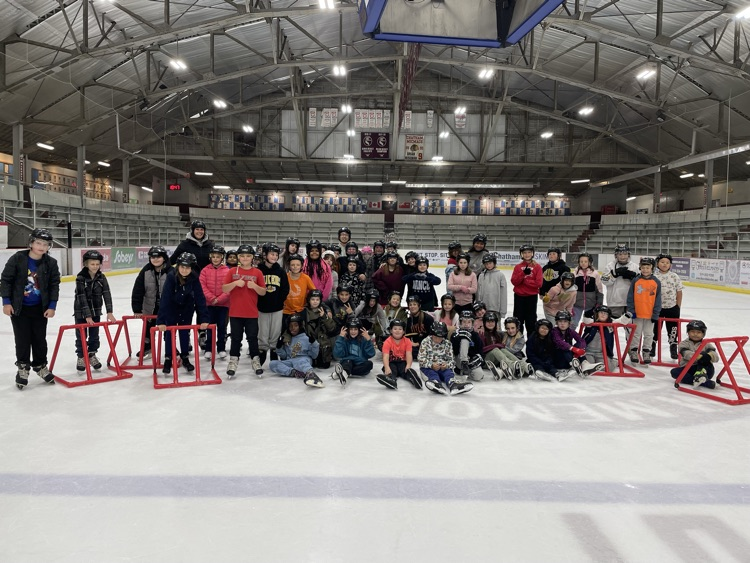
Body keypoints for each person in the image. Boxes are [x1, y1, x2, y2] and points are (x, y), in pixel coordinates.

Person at [2, 228, 60, 389]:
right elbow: (5, 280)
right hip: (19, 308)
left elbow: (54, 285)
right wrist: (6, 302)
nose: (41, 246)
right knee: (22, 339)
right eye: (38, 243)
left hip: (40, 308)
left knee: (40, 339)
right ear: (31, 243)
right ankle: (23, 367)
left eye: (45, 244)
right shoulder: (18, 258)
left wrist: (52, 305)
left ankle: (40, 365)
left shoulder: (51, 263)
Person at [156, 253, 210, 375]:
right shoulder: (171, 277)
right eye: (182, 267)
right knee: (169, 333)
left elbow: (200, 299)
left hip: (186, 310)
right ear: (178, 267)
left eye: (187, 268)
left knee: (184, 333)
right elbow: (165, 299)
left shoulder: (194, 279)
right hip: (171, 309)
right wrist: (161, 321)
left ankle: (185, 357)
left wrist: (204, 318)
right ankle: (168, 358)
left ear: (191, 268)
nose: (184, 270)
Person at [222, 244, 267, 378]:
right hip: (235, 313)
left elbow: (263, 292)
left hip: (251, 313)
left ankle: (255, 360)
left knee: (252, 339)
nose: (245, 258)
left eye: (248, 256)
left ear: (252, 257)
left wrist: (255, 287)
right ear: (238, 257)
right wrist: (235, 284)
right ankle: (233, 360)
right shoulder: (232, 272)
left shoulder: (257, 272)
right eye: (242, 256)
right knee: (236, 339)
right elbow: (224, 289)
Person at [73, 250, 116, 372]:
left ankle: (91, 354)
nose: (95, 267)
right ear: (86, 264)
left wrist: (109, 311)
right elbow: (81, 297)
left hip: (96, 312)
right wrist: (87, 315)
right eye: (92, 264)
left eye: (97, 264)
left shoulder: (102, 278)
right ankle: (81, 356)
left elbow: (107, 294)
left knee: (94, 335)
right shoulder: (80, 278)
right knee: (81, 335)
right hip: (81, 312)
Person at [131, 245, 172, 358]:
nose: (155, 259)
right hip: (150, 307)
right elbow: (138, 290)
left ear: (164, 258)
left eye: (158, 257)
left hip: (167, 308)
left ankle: (171, 348)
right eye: (153, 257)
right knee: (148, 330)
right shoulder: (146, 271)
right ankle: (147, 347)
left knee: (168, 329)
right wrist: (137, 309)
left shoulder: (171, 271)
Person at [257, 243, 290, 369]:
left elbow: (285, 288)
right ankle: (262, 349)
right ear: (265, 255)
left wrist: (279, 300)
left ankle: (274, 349)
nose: (275, 257)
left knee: (276, 330)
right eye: (272, 254)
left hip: (277, 307)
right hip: (262, 307)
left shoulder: (280, 271)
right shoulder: (258, 270)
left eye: (276, 254)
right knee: (263, 330)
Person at [418, 322, 473, 395]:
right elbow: (421, 358)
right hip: (428, 368)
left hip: (443, 368)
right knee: (432, 373)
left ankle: (453, 385)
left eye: (440, 337)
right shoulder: (425, 342)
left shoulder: (447, 344)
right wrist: (431, 365)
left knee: (448, 373)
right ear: (431, 334)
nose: (437, 339)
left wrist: (447, 365)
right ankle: (435, 383)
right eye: (435, 337)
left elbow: (452, 360)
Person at [269, 314, 324, 388]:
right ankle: (294, 373)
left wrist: (314, 343)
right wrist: (279, 347)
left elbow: (314, 355)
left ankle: (311, 375)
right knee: (272, 364)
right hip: (291, 361)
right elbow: (284, 356)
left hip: (303, 359)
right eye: (290, 326)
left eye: (295, 325)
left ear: (300, 326)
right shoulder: (287, 339)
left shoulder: (306, 338)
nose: (293, 328)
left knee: (300, 362)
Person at [626, 257, 662, 366]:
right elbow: (630, 297)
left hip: (649, 314)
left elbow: (658, 299)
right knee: (636, 333)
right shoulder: (636, 280)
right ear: (640, 268)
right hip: (637, 313)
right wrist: (632, 311)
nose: (645, 270)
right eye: (643, 267)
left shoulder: (656, 282)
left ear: (652, 268)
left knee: (649, 334)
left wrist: (655, 314)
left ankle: (646, 351)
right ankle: (633, 351)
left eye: (648, 267)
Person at [199, 245, 229, 360]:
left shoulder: (227, 271)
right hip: (209, 304)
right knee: (210, 327)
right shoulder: (205, 270)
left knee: (222, 327)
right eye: (213, 257)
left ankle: (221, 348)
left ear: (222, 258)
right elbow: (202, 286)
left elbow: (229, 288)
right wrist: (211, 298)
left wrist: (220, 299)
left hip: (223, 304)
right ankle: (209, 349)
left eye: (218, 257)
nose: (216, 259)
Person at [653, 253, 684, 360]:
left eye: (667, 263)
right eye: (662, 262)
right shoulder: (653, 276)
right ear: (657, 263)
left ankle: (673, 348)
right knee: (655, 329)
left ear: (670, 265)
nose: (665, 264)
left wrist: (677, 306)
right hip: (657, 308)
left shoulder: (674, 276)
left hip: (672, 308)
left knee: (673, 329)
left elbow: (679, 292)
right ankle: (652, 347)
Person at [670, 320, 718, 389]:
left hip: (705, 370)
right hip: (690, 369)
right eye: (692, 332)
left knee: (704, 356)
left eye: (698, 332)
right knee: (674, 372)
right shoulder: (683, 344)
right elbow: (686, 354)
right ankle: (704, 383)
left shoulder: (706, 344)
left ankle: (701, 377)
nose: (695, 334)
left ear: (703, 334)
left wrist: (708, 356)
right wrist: (698, 356)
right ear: (688, 332)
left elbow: (716, 356)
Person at [378, 319, 422, 390]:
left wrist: (408, 366)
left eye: (400, 329)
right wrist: (386, 367)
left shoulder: (407, 341)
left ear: (403, 331)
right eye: (395, 329)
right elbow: (385, 356)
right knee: (391, 371)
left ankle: (413, 378)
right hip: (391, 362)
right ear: (391, 331)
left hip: (402, 362)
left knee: (405, 371)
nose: (397, 331)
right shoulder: (387, 342)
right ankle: (391, 381)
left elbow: (409, 355)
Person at [511, 244, 543, 335]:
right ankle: (517, 342)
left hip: (531, 298)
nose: (527, 254)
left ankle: (531, 344)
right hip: (519, 297)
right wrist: (522, 274)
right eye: (524, 252)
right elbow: (514, 282)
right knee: (518, 321)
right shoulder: (518, 267)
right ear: (521, 254)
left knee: (531, 322)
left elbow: (539, 283)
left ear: (532, 253)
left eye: (529, 252)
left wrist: (525, 281)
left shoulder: (537, 267)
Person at [301, 289, 337, 369]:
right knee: (311, 364)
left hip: (322, 345)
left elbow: (332, 328)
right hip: (309, 344)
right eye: (313, 299)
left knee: (324, 365)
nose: (315, 302)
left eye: (317, 299)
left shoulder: (324, 311)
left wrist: (324, 317)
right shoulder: (304, 312)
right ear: (309, 300)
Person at [332, 317, 376, 384]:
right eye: (351, 329)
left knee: (369, 364)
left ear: (359, 330)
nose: (353, 331)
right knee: (348, 362)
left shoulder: (363, 339)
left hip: (359, 364)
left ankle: (342, 373)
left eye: (355, 329)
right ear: (347, 330)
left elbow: (371, 354)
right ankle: (344, 373)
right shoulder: (344, 339)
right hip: (347, 362)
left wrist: (368, 340)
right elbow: (337, 354)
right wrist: (340, 338)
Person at [601, 244, 638, 319]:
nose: (622, 256)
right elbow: (604, 281)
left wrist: (633, 278)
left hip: (630, 303)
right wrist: (614, 275)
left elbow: (641, 285)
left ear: (628, 254)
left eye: (625, 254)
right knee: (612, 327)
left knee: (630, 327)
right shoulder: (610, 266)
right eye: (620, 254)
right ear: (616, 255)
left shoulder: (635, 267)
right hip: (614, 303)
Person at [550, 310, 587, 381]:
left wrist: (580, 349)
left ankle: (584, 363)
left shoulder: (570, 331)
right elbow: (559, 342)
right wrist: (573, 349)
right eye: (560, 321)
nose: (562, 324)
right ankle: (574, 364)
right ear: (556, 322)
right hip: (557, 359)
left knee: (579, 345)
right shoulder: (554, 331)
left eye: (565, 321)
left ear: (569, 323)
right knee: (564, 348)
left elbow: (581, 340)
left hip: (568, 358)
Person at [450, 310, 485, 382]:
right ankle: (464, 363)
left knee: (479, 375)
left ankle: (465, 371)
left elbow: (480, 350)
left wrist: (478, 359)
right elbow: (454, 351)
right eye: (464, 322)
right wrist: (458, 338)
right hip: (459, 360)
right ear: (460, 322)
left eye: (469, 322)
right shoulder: (455, 334)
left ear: (472, 323)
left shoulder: (475, 335)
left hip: (471, 361)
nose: (466, 324)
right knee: (465, 338)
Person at [571, 252, 604, 329]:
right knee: (573, 324)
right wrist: (570, 304)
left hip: (591, 305)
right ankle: (568, 340)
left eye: (585, 261)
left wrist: (599, 303)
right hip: (577, 305)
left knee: (589, 325)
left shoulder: (595, 274)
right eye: (581, 261)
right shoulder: (575, 273)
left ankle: (586, 340)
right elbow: (570, 290)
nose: (583, 263)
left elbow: (599, 290)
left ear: (590, 262)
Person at [579, 305, 612, 375]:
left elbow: (620, 321)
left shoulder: (610, 325)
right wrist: (593, 310)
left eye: (605, 313)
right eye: (601, 312)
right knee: (589, 365)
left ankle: (614, 361)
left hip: (601, 353)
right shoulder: (591, 323)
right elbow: (586, 317)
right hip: (588, 352)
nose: (603, 315)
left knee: (607, 367)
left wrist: (626, 316)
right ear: (597, 314)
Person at [283, 254, 316, 321]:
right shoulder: (284, 277)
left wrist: (308, 302)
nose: (295, 267)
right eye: (292, 265)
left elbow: (314, 292)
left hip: (301, 310)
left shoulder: (306, 278)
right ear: (289, 266)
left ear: (301, 266)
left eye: (298, 265)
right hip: (285, 311)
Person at [476, 254, 507, 318]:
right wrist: (478, 306)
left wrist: (502, 311)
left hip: (496, 308)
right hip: (483, 309)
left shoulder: (500, 275)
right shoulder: (481, 276)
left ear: (494, 263)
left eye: (490, 263)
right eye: (486, 264)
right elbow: (478, 292)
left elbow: (503, 294)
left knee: (496, 326)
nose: (488, 265)